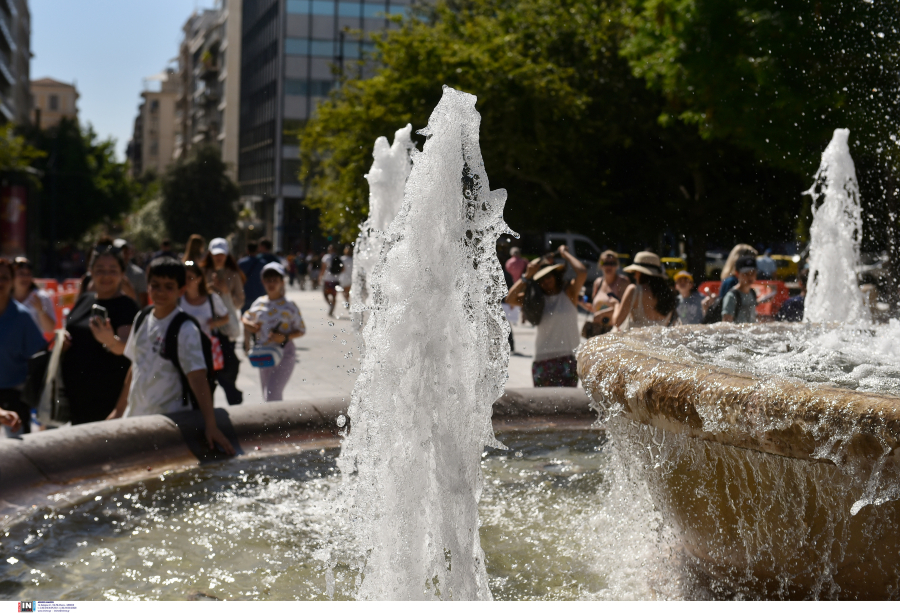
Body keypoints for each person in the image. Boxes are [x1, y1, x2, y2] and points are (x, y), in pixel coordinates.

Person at [109, 257, 235, 455]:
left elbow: (198, 378)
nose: (160, 292)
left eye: (169, 287)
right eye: (155, 285)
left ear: (181, 290)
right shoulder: (141, 318)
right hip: (135, 417)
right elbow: (136, 366)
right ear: (148, 286)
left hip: (169, 423)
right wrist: (119, 410)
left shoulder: (185, 328)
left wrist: (211, 425)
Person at [62, 244, 140, 425]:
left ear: (122, 273)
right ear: (90, 271)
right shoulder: (85, 299)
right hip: (76, 400)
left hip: (107, 403)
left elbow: (127, 348)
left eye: (112, 270)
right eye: (100, 269)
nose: (106, 275)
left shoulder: (126, 306)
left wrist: (109, 340)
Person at [506, 245, 586, 387]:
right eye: (540, 279)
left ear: (555, 275)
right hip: (542, 360)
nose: (545, 281)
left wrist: (565, 254)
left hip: (568, 358)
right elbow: (510, 299)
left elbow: (582, 272)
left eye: (548, 276)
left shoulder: (569, 293)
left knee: (568, 407)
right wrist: (526, 277)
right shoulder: (535, 299)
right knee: (543, 408)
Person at [242, 262, 306, 402]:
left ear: (282, 282)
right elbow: (245, 318)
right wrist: (250, 325)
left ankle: (279, 423)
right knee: (266, 394)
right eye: (268, 280)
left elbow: (301, 330)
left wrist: (285, 337)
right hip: (264, 353)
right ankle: (273, 422)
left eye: (275, 280)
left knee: (272, 393)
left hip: (285, 353)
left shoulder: (290, 306)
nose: (271, 283)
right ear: (262, 282)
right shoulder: (259, 302)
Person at [0, 258, 47, 434]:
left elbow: (39, 356)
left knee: (17, 456)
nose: (0, 282)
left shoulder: (22, 317)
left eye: (4, 277)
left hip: (15, 396)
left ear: (12, 281)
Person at [202, 238, 246, 404]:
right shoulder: (204, 272)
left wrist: (226, 292)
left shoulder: (233, 274)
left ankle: (234, 402)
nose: (219, 258)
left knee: (227, 370)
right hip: (207, 328)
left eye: (222, 254)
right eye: (216, 254)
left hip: (226, 330)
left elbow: (240, 301)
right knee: (208, 373)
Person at [613, 251, 678, 329]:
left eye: (634, 272)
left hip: (636, 340)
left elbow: (617, 322)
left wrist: (616, 305)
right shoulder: (669, 293)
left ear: (640, 272)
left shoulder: (634, 290)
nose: (634, 276)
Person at [13, 257, 56, 334]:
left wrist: (40, 310)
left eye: (28, 274)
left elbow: (50, 328)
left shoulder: (41, 297)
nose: (25, 278)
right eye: (21, 273)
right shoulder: (4, 297)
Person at [591, 250, 630, 317]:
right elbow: (595, 309)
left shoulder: (623, 282)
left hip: (615, 326)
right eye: (605, 263)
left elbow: (625, 308)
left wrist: (601, 314)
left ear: (617, 265)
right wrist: (581, 303)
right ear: (601, 265)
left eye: (612, 263)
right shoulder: (597, 282)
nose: (609, 266)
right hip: (597, 325)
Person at [722, 256, 758, 324]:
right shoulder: (731, 296)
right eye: (746, 274)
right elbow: (726, 324)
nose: (750, 277)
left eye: (753, 273)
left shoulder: (753, 293)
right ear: (737, 274)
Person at [114, 238, 149, 306]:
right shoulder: (104, 274)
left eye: (126, 252)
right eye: (120, 252)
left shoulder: (139, 274)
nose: (123, 255)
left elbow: (143, 304)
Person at [319, 244, 340, 317]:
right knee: (334, 296)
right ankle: (332, 308)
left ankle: (330, 305)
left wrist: (320, 277)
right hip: (336, 279)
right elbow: (342, 269)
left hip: (327, 279)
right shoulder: (338, 257)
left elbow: (323, 268)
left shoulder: (326, 257)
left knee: (325, 294)